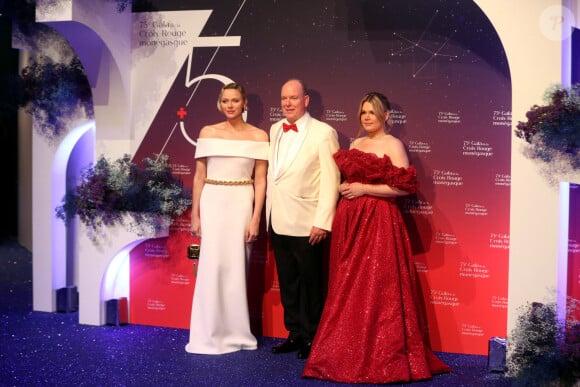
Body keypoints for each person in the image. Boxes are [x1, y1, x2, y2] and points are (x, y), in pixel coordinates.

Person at [302, 92, 451, 383]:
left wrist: (364, 189)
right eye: (363, 112)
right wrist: (350, 187)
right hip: (350, 221)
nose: (367, 117)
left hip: (379, 222)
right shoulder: (356, 143)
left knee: (377, 286)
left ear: (386, 116)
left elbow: (405, 188)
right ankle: (344, 351)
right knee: (347, 285)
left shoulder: (394, 145)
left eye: (372, 112)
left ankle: (381, 355)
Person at [185, 82, 268, 355]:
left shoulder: (259, 136)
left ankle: (236, 333)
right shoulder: (207, 132)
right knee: (210, 267)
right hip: (213, 200)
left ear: (245, 103)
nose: (230, 105)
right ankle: (207, 332)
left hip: (241, 202)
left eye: (235, 100)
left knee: (236, 268)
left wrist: (256, 217)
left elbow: (261, 180)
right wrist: (195, 215)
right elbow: (198, 176)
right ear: (220, 104)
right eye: (225, 101)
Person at [266, 79, 340, 359]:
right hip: (278, 219)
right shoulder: (275, 129)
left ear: (306, 100)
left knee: (311, 284)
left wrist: (323, 220)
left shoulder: (324, 132)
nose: (287, 103)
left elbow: (331, 180)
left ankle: (313, 337)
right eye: (284, 98)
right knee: (288, 283)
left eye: (293, 98)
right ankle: (295, 333)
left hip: (308, 223)